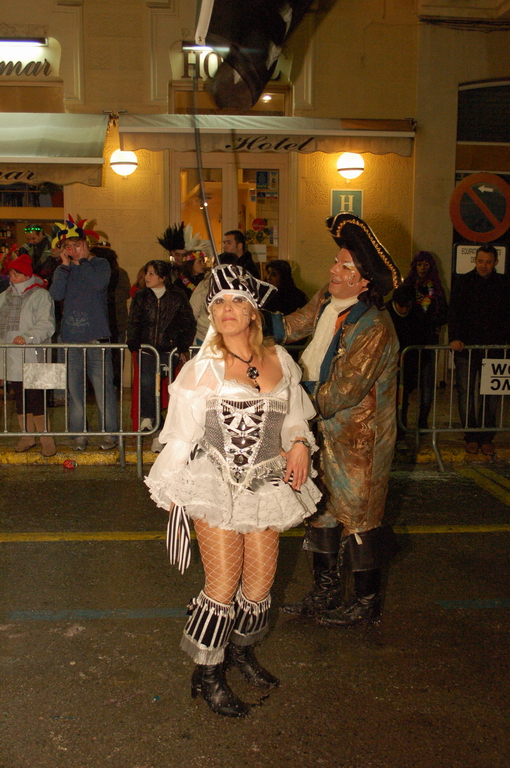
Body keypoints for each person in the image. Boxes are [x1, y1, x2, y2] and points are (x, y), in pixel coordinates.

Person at [145, 265, 320, 718]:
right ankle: (208, 673)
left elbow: (294, 414)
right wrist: (172, 492)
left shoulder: (280, 359)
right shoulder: (199, 369)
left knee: (259, 589)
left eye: (237, 301)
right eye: (218, 302)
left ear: (253, 311)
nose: (226, 310)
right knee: (222, 586)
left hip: (266, 485)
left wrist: (299, 443)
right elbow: (180, 438)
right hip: (214, 484)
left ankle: (240, 653)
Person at [266, 213, 401, 628]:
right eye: (336, 261)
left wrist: (291, 403)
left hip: (359, 440)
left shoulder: (374, 326)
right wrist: (251, 321)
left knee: (360, 517)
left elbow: (344, 391)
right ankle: (324, 593)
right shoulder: (327, 298)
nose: (334, 270)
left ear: (365, 282)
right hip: (318, 428)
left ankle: (366, 601)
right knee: (319, 508)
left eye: (346, 267)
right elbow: (292, 326)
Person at [49, 216, 119, 451]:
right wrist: (64, 266)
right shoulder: (64, 269)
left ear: (87, 244)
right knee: (74, 391)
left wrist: (82, 262)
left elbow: (99, 284)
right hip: (70, 339)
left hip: (97, 338)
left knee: (103, 390)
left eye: (77, 245)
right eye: (68, 246)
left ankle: (110, 434)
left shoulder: (99, 264)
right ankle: (79, 435)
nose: (72, 249)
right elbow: (56, 294)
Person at [448, 244, 510, 456]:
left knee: (491, 394)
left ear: (496, 263)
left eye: (488, 262)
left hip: (495, 350)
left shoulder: (504, 284)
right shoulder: (463, 282)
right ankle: (471, 435)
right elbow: (454, 312)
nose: (484, 266)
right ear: (475, 260)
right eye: (481, 261)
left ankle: (487, 436)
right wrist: (454, 338)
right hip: (466, 348)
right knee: (466, 393)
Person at [127, 260, 196, 445]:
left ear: (163, 277)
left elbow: (188, 323)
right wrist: (133, 341)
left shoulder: (177, 296)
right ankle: (151, 421)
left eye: (151, 274)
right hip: (147, 349)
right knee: (148, 382)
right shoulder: (141, 296)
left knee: (163, 389)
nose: (146, 277)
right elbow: (133, 321)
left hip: (168, 349)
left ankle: (162, 428)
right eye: (146, 273)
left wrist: (182, 346)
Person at [0, 253, 56, 456]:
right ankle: (27, 436)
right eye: (10, 274)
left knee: (37, 397)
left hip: (35, 353)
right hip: (13, 355)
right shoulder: (5, 296)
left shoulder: (41, 295)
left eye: (15, 274)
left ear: (25, 275)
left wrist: (28, 336)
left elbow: (47, 324)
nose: (11, 278)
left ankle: (46, 439)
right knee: (20, 397)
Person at [403, 251, 448, 429]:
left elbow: (443, 313)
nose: (422, 268)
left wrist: (432, 322)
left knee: (427, 384)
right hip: (410, 342)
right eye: (419, 264)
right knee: (405, 385)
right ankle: (403, 422)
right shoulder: (408, 286)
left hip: (428, 341)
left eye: (426, 264)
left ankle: (423, 421)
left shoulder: (436, 289)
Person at [386, 284, 429, 443]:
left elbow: (421, 337)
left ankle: (401, 429)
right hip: (388, 364)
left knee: (403, 398)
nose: (403, 310)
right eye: (400, 306)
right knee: (389, 400)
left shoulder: (417, 313)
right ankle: (390, 430)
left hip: (408, 361)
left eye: (407, 306)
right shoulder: (385, 313)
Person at [89, 245, 131, 389]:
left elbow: (124, 293)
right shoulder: (92, 274)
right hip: (96, 322)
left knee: (116, 356)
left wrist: (102, 296)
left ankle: (114, 384)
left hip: (116, 323)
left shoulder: (120, 274)